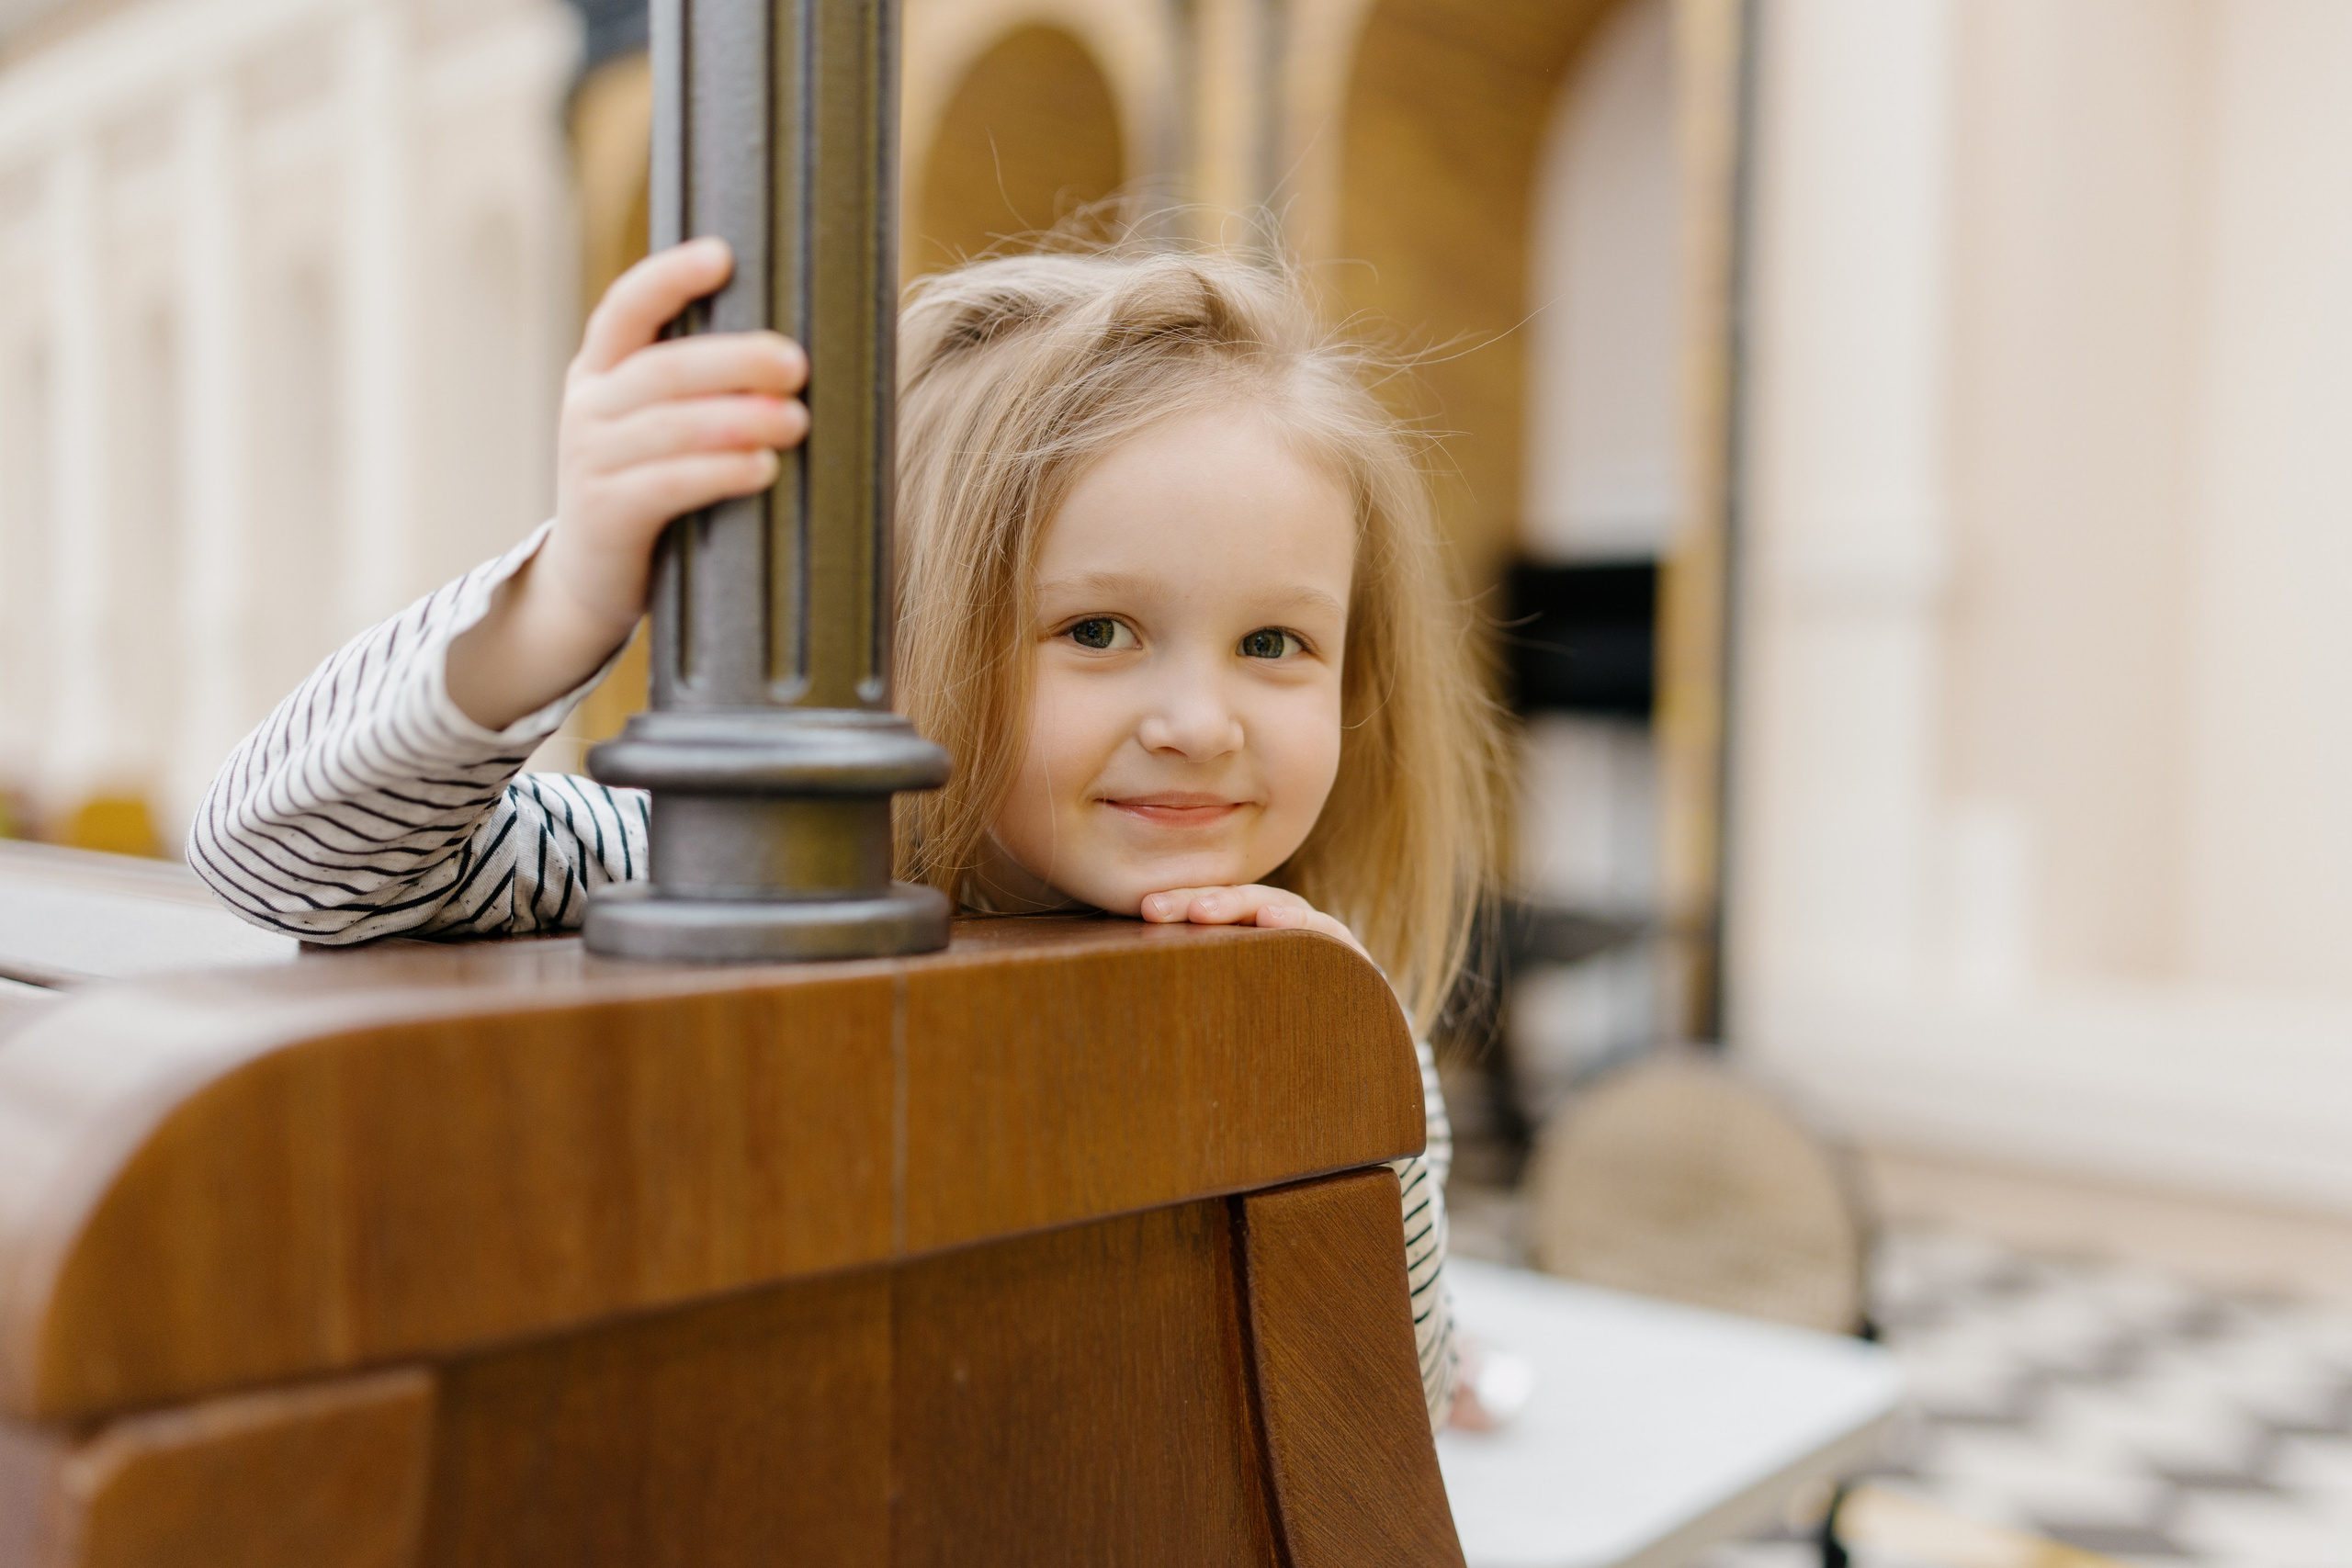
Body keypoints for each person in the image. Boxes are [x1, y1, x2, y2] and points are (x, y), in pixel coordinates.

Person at [191, 235, 1504, 1429]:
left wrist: (1346, 1076)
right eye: (1097, 630)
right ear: (900, 641)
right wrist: (565, 602)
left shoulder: (1320, 995)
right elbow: (280, 855)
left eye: (1273, 643)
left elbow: (1379, 1414)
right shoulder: (744, 875)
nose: (1200, 724)